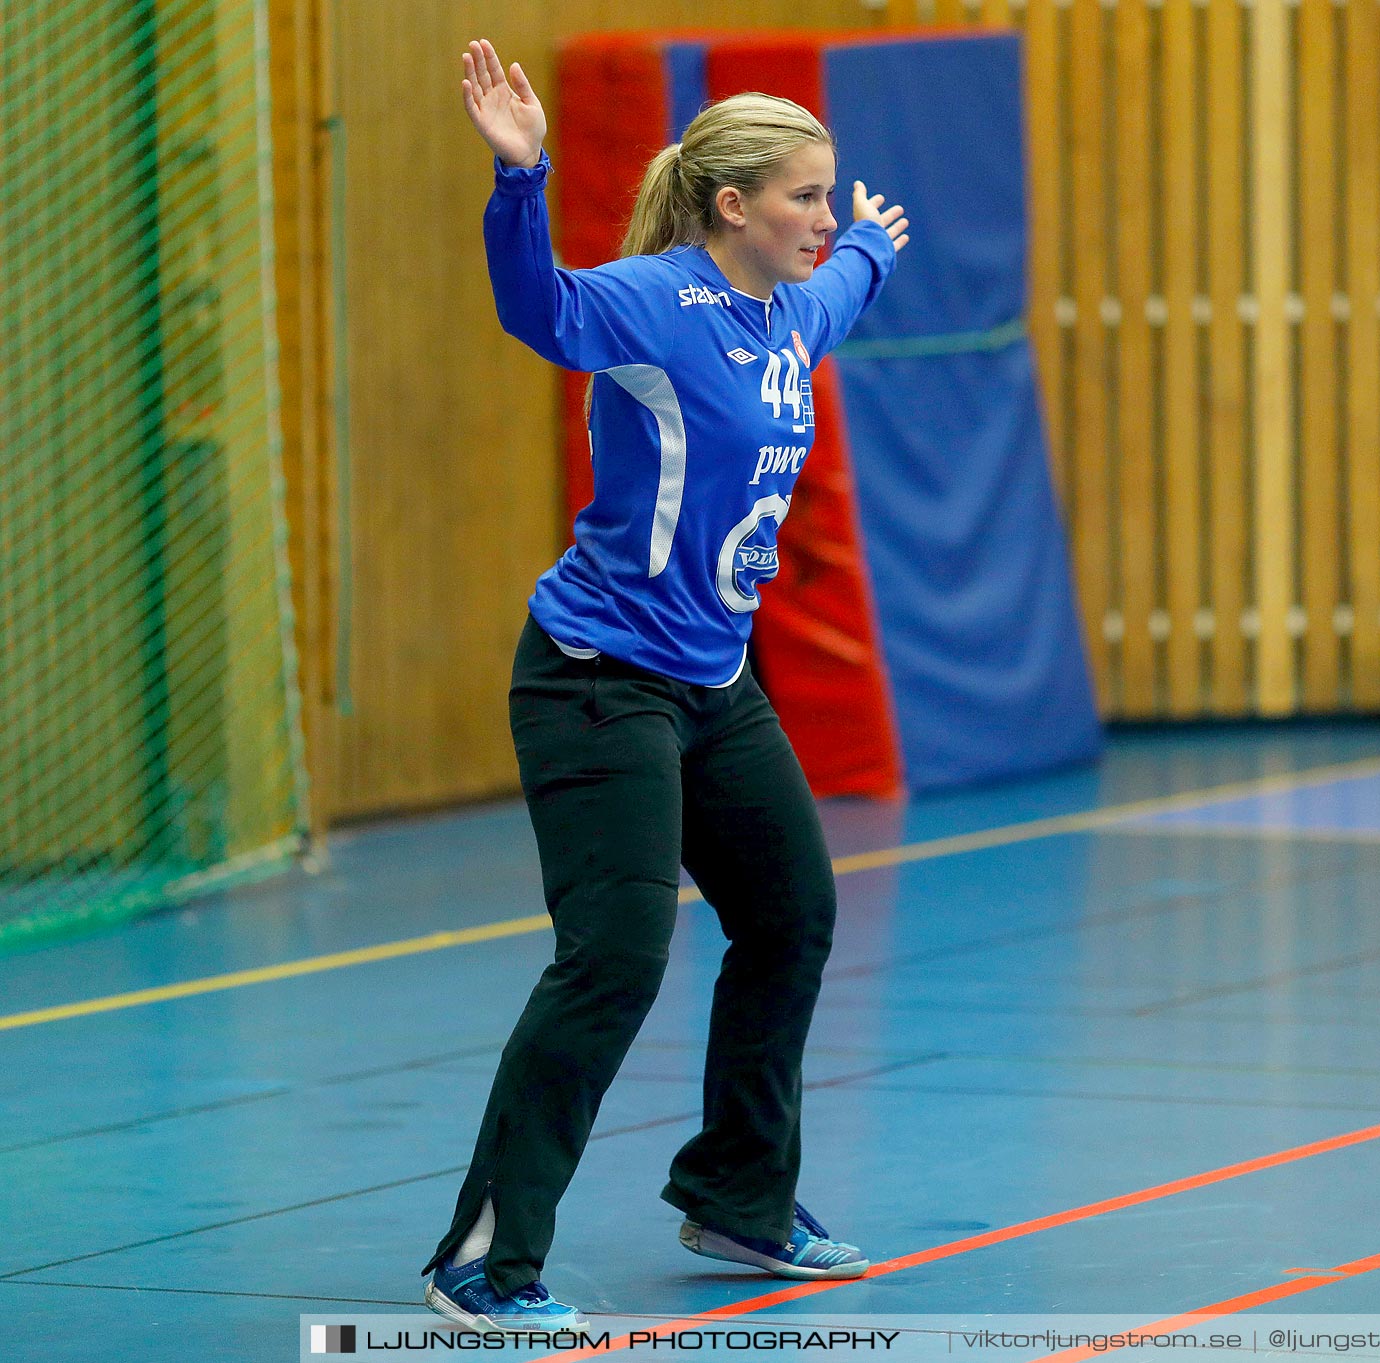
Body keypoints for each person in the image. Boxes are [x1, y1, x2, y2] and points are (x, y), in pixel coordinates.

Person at [421, 38, 911, 1335]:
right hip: (597, 682)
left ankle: (741, 1195)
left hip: (712, 684)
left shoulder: (794, 308)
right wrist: (518, 180)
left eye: (832, 193)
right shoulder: (653, 302)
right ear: (731, 205)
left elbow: (848, 282)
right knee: (616, 960)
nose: (825, 216)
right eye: (805, 196)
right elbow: (539, 313)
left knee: (792, 917)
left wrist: (874, 240)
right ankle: (484, 1259)